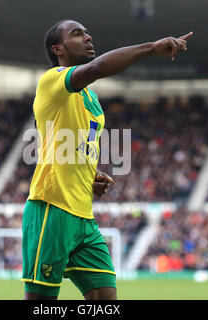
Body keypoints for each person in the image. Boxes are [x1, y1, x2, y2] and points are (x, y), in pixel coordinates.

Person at [22, 19, 193, 300]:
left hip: (83, 217)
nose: (87, 38)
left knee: (105, 298)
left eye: (88, 33)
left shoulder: (91, 99)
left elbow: (76, 147)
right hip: (51, 209)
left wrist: (92, 176)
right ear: (58, 49)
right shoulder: (52, 80)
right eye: (76, 34)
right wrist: (152, 48)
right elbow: (98, 68)